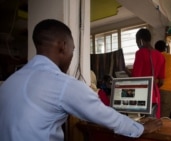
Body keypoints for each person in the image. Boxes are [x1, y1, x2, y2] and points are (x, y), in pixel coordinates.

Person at [0, 19, 162, 141]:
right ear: (63, 46)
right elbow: (105, 115)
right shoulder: (61, 84)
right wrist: (141, 128)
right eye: (73, 49)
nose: (72, 56)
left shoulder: (11, 80)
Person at [126, 28, 165, 119]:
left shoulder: (140, 53)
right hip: (155, 94)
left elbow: (136, 78)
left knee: (142, 123)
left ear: (140, 40)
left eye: (137, 41)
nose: (137, 44)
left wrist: (126, 71)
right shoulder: (161, 56)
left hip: (143, 94)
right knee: (154, 123)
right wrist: (153, 86)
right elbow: (162, 81)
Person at [155, 40, 171, 118]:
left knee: (155, 113)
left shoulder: (154, 57)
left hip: (155, 89)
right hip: (167, 90)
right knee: (164, 116)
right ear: (165, 48)